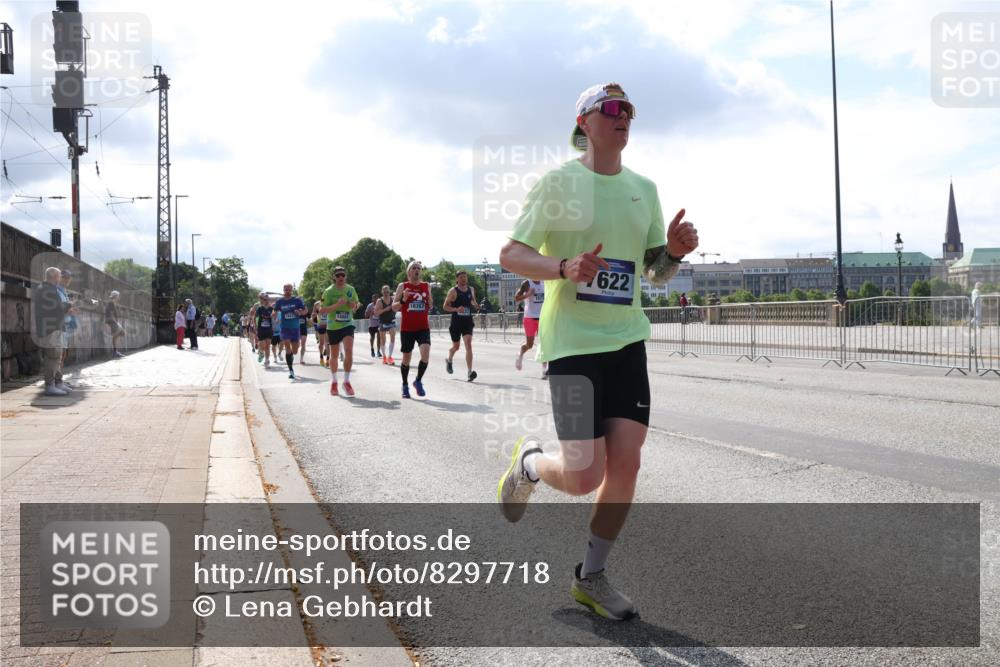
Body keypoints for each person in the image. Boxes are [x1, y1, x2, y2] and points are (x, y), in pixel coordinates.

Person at [497, 82, 699, 621]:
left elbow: (653, 274)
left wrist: (673, 254)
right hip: (573, 345)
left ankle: (591, 576)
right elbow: (511, 253)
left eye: (630, 110)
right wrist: (563, 267)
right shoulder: (558, 183)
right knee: (585, 475)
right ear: (584, 121)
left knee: (626, 464)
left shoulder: (645, 189)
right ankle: (532, 464)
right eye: (612, 109)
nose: (624, 117)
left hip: (627, 339)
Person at [34, 267, 77, 396]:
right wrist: (69, 304)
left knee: (57, 357)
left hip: (55, 327)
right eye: (59, 276)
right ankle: (50, 386)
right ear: (54, 276)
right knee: (52, 357)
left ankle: (57, 383)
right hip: (51, 328)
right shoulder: (47, 289)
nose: (60, 279)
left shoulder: (47, 288)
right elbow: (57, 308)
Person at [392, 261, 433, 398]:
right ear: (409, 272)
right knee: (406, 360)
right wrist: (404, 299)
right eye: (414, 268)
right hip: (407, 329)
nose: (417, 270)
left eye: (419, 268)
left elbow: (430, 304)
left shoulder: (426, 286)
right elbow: (394, 307)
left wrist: (430, 303)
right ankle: (405, 385)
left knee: (425, 355)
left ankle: (418, 381)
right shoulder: (403, 286)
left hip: (423, 327)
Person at [319, 266, 360, 396]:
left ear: (345, 276)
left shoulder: (350, 289)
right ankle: (334, 381)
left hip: (348, 324)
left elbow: (356, 305)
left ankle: (347, 381)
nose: (341, 277)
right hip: (333, 326)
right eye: (338, 275)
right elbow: (322, 310)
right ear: (334, 277)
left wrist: (352, 305)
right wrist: (337, 305)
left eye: (343, 275)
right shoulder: (328, 292)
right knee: (334, 355)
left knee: (348, 350)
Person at [443, 270, 479, 382]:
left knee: (468, 344)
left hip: (467, 321)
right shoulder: (453, 291)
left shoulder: (471, 289)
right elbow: (445, 306)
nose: (464, 279)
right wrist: (455, 309)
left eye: (465, 277)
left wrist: (476, 305)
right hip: (456, 322)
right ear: (457, 279)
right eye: (462, 277)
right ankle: (449, 359)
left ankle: (469, 372)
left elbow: (473, 301)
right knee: (456, 346)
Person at [274, 285, 307, 378]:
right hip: (284, 328)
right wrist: (274, 314)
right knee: (287, 347)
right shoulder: (280, 301)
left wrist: (300, 312)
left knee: (295, 351)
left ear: (291, 290)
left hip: (295, 328)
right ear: (283, 290)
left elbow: (305, 310)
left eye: (289, 290)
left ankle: (291, 355)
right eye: (286, 290)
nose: (288, 291)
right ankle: (291, 370)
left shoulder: (297, 300)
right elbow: (275, 310)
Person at [514, 278, 546, 376]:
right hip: (530, 318)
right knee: (530, 345)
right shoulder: (527, 283)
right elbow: (516, 298)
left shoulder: (544, 282)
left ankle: (545, 369)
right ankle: (520, 354)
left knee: (545, 343)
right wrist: (528, 295)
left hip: (543, 317)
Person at [57, 269, 78, 390]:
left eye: (68, 278)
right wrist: (70, 308)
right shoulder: (57, 291)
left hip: (64, 325)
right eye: (66, 278)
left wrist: (71, 310)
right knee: (59, 355)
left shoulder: (63, 291)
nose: (68, 280)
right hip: (59, 325)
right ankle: (57, 381)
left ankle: (59, 380)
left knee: (63, 354)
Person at [375, 285, 397, 365]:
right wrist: (385, 309)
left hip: (391, 321)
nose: (386, 293)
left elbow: (397, 307)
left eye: (387, 292)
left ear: (389, 291)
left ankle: (390, 357)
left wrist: (394, 308)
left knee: (393, 336)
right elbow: (376, 313)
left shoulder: (393, 299)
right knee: (383, 340)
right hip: (383, 322)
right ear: (382, 292)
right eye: (384, 292)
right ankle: (384, 356)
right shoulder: (379, 301)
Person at [253, 292, 274, 368]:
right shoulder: (260, 309)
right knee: (262, 346)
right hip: (261, 330)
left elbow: (275, 319)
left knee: (268, 346)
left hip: (269, 330)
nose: (266, 301)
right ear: (263, 300)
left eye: (268, 299)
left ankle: (266, 360)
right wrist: (255, 327)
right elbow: (254, 318)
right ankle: (261, 352)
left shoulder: (272, 309)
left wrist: (274, 326)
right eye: (265, 299)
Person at [105, 291, 126, 358]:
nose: (119, 297)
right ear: (115, 296)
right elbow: (111, 313)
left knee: (120, 334)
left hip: (112, 320)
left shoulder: (113, 303)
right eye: (118, 296)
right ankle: (115, 352)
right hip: (111, 320)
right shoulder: (111, 303)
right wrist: (115, 322)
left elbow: (113, 313)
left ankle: (115, 352)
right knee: (119, 334)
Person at [311, 301, 329, 367]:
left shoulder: (328, 306)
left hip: (328, 326)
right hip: (321, 326)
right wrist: (315, 309)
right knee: (321, 343)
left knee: (327, 343)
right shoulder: (318, 306)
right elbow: (313, 316)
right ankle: (321, 357)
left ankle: (328, 359)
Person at [365, 294, 381, 358]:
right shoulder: (370, 305)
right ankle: (372, 349)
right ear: (372, 299)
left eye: (377, 298)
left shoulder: (380, 305)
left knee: (379, 337)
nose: (376, 300)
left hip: (379, 324)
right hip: (372, 324)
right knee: (372, 337)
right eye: (374, 298)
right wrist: (370, 313)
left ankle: (378, 351)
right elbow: (366, 315)